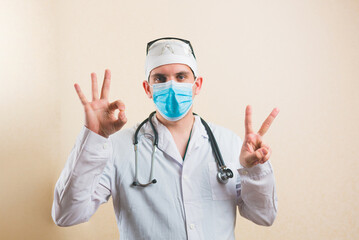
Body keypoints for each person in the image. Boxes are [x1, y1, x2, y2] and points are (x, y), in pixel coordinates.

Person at [52, 37, 279, 240]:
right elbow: (67, 215)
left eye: (181, 76)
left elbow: (263, 215)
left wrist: (254, 170)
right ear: (148, 88)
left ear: (196, 85)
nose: (171, 85)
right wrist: (95, 137)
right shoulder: (118, 147)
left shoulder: (228, 143)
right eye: (160, 78)